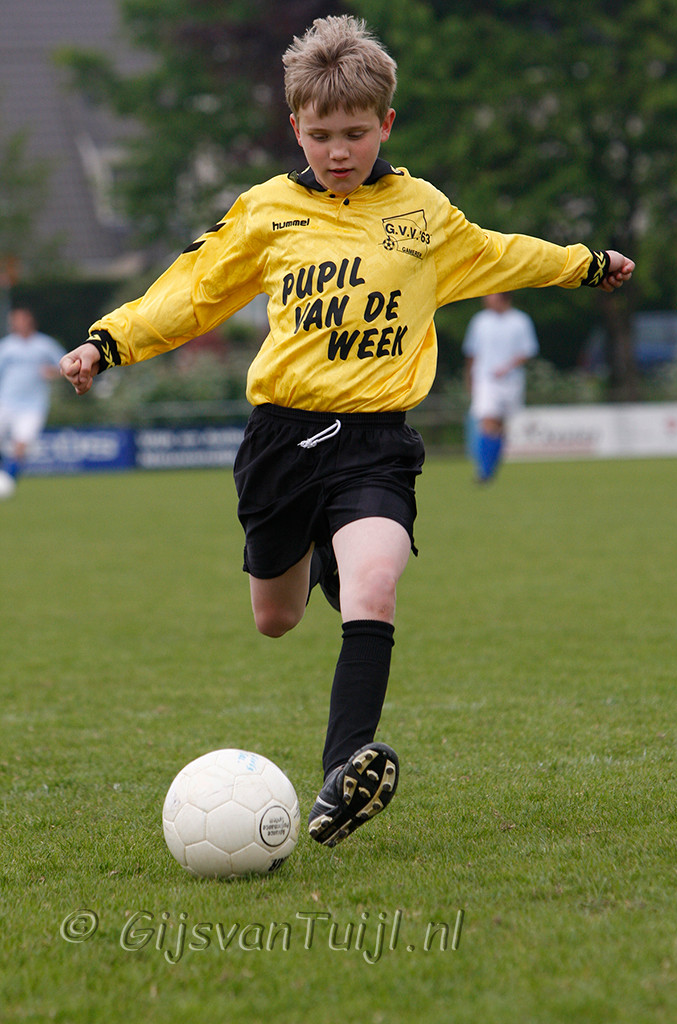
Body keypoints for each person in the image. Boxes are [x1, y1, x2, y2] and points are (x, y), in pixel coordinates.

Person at [59, 15, 635, 848]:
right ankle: (320, 552)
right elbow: (189, 293)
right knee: (276, 618)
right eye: (322, 134)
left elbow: (502, 253)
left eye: (356, 134)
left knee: (374, 587)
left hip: (374, 444)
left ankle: (342, 775)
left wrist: (585, 262)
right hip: (282, 443)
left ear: (385, 124)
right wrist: (105, 342)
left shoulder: (422, 213)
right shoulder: (266, 211)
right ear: (296, 126)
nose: (339, 151)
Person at [463, 292, 538, 482]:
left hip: (511, 381)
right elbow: (471, 353)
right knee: (487, 420)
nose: (486, 299)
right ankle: (484, 469)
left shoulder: (520, 320)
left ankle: (491, 465)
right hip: (486, 379)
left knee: (500, 426)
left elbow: (528, 350)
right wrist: (469, 378)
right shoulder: (480, 321)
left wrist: (507, 367)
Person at [0, 307, 65, 495]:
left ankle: (8, 479)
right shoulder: (6, 346)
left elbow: (65, 366)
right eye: (15, 320)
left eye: (22, 319)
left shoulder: (45, 345)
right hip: (6, 402)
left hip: (33, 406)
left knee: (21, 445)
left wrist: (53, 372)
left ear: (30, 321)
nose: (19, 323)